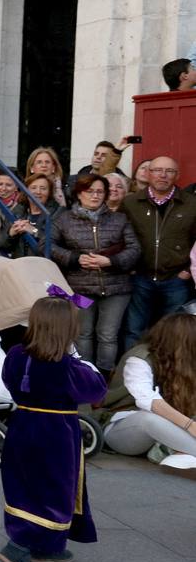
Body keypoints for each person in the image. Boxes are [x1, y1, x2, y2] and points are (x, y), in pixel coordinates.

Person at [0, 295, 108, 562]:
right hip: (56, 430)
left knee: (25, 484)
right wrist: (78, 358)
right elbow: (96, 390)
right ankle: (19, 546)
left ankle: (47, 544)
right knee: (55, 489)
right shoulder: (67, 366)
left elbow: (9, 380)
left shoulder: (16, 353)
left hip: (22, 424)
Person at [50, 174, 139, 372]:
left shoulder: (119, 219)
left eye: (100, 191)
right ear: (79, 194)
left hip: (116, 287)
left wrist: (111, 261)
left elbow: (134, 249)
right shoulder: (64, 219)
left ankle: (104, 379)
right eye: (90, 191)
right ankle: (84, 375)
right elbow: (47, 245)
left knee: (108, 335)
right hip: (80, 286)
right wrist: (75, 258)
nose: (95, 195)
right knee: (83, 334)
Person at [102, 313, 196, 473]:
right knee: (148, 418)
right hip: (123, 428)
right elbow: (148, 400)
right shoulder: (139, 358)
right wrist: (189, 425)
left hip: (170, 428)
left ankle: (182, 454)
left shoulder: (188, 361)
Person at [120, 156, 196, 346]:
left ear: (177, 175)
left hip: (176, 279)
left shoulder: (192, 204)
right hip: (140, 278)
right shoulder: (130, 203)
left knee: (173, 334)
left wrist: (187, 271)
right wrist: (129, 266)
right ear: (148, 173)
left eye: (169, 171)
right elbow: (119, 237)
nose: (163, 175)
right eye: (157, 170)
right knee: (133, 331)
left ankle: (168, 374)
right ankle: (130, 371)